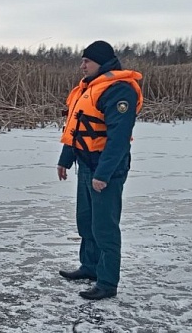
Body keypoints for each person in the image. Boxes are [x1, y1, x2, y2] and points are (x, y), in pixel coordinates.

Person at [56, 40, 143, 300]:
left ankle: (107, 282)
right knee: (86, 221)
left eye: (87, 61)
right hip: (86, 164)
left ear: (101, 63)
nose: (82, 66)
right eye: (82, 61)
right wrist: (65, 159)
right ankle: (90, 266)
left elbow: (118, 139)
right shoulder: (89, 88)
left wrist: (103, 175)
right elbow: (76, 128)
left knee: (104, 226)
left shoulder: (119, 90)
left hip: (107, 169)